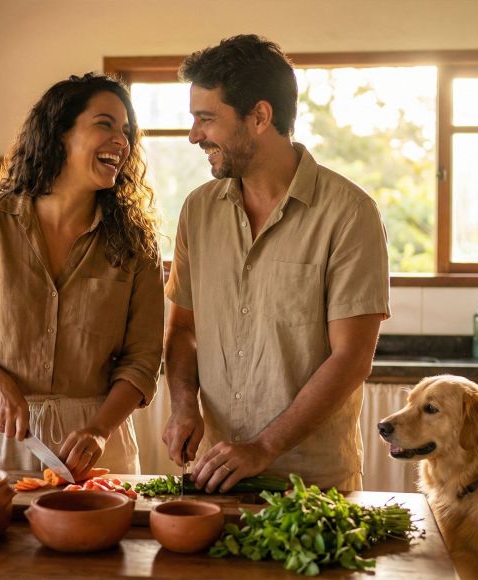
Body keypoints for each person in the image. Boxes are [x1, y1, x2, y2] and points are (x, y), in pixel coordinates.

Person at [162, 35, 390, 493]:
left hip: (314, 486)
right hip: (217, 475)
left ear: (260, 117)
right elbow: (184, 329)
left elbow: (351, 358)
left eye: (206, 119)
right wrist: (185, 403)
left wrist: (264, 447)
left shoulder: (350, 213)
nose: (193, 136)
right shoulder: (198, 210)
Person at [0, 73, 164, 479]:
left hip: (97, 442)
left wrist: (100, 429)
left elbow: (143, 360)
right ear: (59, 133)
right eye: (104, 124)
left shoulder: (136, 243)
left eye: (126, 130)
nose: (121, 140)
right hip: (2, 435)